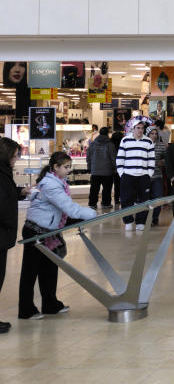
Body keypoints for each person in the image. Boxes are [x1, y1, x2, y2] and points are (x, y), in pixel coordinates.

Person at [19, 152, 97, 320]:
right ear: (55, 167)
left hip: (48, 231)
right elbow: (69, 208)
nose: (69, 170)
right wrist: (92, 213)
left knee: (49, 268)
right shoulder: (51, 185)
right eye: (66, 167)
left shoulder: (57, 182)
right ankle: (25, 310)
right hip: (36, 231)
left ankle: (50, 304)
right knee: (30, 272)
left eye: (70, 167)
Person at [0, 137, 26, 333]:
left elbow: (6, 194)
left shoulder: (4, 173)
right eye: (14, 156)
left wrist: (20, 192)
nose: (16, 160)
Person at [117, 121, 155, 232]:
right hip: (128, 175)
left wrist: (149, 174)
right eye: (138, 128)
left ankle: (140, 222)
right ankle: (128, 221)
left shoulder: (148, 142)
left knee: (143, 200)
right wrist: (122, 173)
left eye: (142, 128)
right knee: (126, 199)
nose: (140, 130)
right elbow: (120, 158)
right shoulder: (125, 140)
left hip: (143, 176)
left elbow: (151, 160)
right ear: (133, 128)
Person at [86, 127, 117, 210]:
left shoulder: (93, 144)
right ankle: (106, 203)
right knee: (107, 189)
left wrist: (89, 167)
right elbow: (113, 158)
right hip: (107, 171)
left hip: (95, 170)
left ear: (99, 133)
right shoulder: (110, 144)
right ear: (107, 133)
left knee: (94, 188)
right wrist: (115, 168)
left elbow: (88, 156)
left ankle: (92, 204)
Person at [146, 125, 167, 227]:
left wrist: (162, 162)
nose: (154, 136)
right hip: (144, 176)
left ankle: (155, 217)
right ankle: (145, 218)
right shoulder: (143, 144)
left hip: (157, 176)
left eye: (155, 134)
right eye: (152, 134)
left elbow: (167, 158)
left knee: (158, 198)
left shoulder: (162, 145)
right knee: (145, 199)